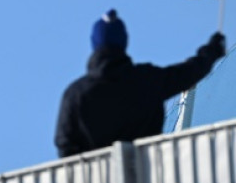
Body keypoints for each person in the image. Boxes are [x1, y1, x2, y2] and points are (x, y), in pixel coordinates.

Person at [55, 9, 226, 157]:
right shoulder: (147, 79)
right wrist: (212, 50)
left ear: (94, 44)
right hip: (148, 176)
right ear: (124, 41)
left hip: (97, 182)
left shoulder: (75, 94)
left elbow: (64, 142)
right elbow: (189, 72)